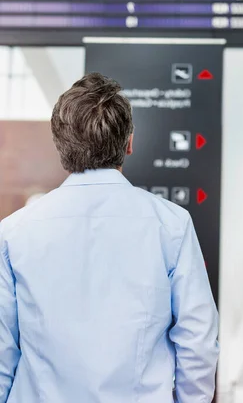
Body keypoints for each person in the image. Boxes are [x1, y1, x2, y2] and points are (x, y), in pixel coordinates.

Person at [0, 73, 219, 403]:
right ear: (129, 142)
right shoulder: (171, 225)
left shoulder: (14, 232)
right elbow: (197, 340)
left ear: (60, 145)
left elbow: (2, 351)